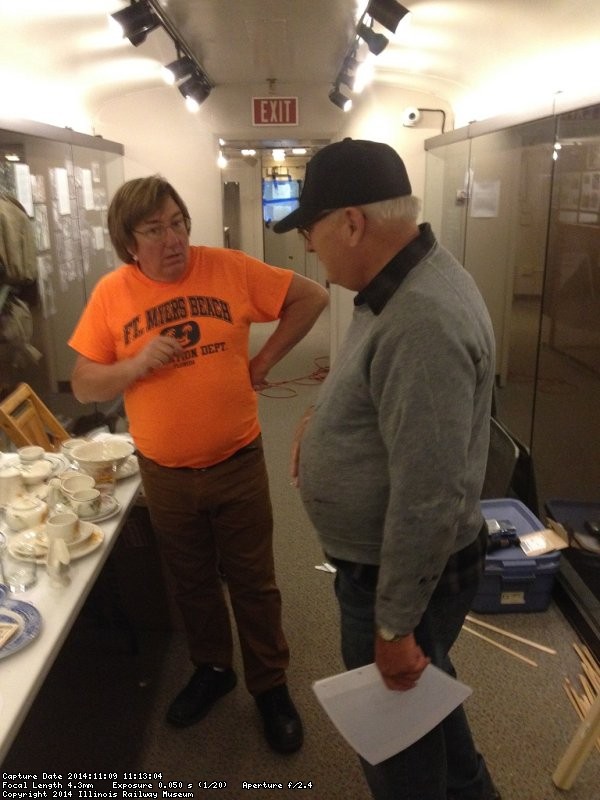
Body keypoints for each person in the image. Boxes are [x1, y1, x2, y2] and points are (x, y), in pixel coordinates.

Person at [69, 175, 328, 754]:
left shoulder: (229, 267)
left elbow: (312, 297)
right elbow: (85, 383)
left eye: (179, 222)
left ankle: (270, 685)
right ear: (128, 241)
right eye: (155, 229)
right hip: (163, 472)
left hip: (236, 459)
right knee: (191, 584)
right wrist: (133, 365)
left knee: (254, 583)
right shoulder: (112, 294)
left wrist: (261, 362)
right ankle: (214, 669)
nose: (174, 238)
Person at [273, 139, 500, 799]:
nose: (310, 246)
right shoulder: (392, 286)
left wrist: (395, 626)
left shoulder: (421, 319)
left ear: (351, 222)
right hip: (393, 569)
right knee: (433, 715)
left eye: (312, 230)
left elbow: (430, 495)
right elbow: (364, 379)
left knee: (398, 751)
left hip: (395, 579)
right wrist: (322, 422)